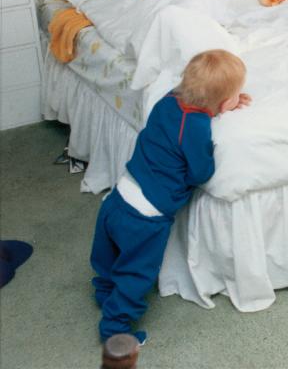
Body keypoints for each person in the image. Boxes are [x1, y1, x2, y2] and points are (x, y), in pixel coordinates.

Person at [90, 50, 250, 344]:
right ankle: (114, 329)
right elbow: (201, 172)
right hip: (147, 216)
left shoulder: (168, 100)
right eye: (234, 95)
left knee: (107, 254)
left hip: (121, 195)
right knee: (137, 273)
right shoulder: (196, 127)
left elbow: (196, 96)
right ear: (222, 103)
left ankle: (103, 290)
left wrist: (224, 99)